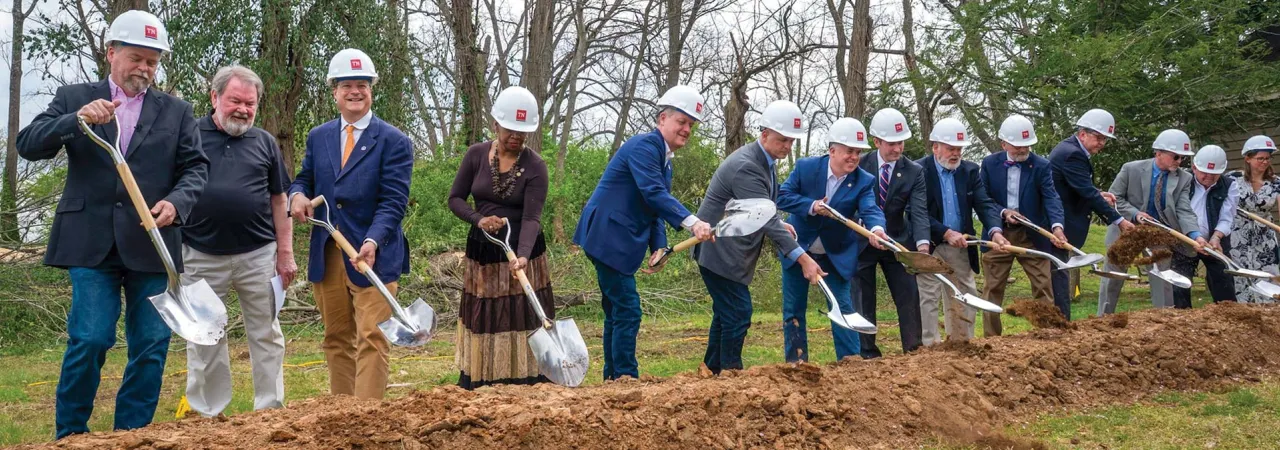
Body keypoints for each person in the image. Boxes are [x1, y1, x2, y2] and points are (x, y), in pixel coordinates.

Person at [15, 10, 208, 438]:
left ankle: (131, 436)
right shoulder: (73, 96)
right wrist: (76, 120)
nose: (145, 68)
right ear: (111, 53)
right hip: (91, 241)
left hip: (153, 244)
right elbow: (28, 144)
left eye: (153, 62)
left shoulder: (177, 111)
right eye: (137, 58)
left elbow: (196, 168)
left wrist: (176, 203)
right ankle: (71, 436)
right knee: (90, 338)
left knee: (152, 346)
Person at [289, 48, 413, 400]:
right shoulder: (319, 136)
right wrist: (298, 196)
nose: (355, 92)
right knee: (336, 337)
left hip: (375, 253)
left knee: (372, 337)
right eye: (347, 86)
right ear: (334, 92)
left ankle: (369, 420)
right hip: (329, 251)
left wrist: (373, 241)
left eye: (362, 85)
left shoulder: (393, 141)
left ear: (372, 90)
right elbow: (304, 180)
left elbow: (393, 202)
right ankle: (342, 417)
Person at [573, 85, 714, 380]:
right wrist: (693, 222)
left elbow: (654, 209)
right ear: (662, 119)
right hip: (607, 236)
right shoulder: (644, 147)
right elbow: (653, 194)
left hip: (614, 238)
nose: (686, 129)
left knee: (616, 310)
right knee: (628, 309)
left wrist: (658, 249)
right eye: (681, 121)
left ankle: (614, 377)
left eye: (691, 124)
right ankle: (626, 377)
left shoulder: (664, 163)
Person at [181, 66, 293, 416]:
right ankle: (209, 413)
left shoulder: (265, 142)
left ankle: (269, 409)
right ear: (214, 97)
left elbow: (280, 199)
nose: (243, 110)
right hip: (199, 254)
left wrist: (285, 254)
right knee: (204, 337)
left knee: (266, 334)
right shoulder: (188, 135)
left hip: (259, 256)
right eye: (235, 101)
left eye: (250, 103)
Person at [693, 100, 825, 374]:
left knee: (725, 314)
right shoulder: (747, 166)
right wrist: (803, 259)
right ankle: (732, 373)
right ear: (764, 134)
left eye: (791, 141)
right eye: (782, 140)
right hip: (720, 251)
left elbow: (763, 208)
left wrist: (779, 221)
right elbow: (763, 217)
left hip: (729, 252)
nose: (787, 147)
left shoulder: (764, 160)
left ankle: (711, 371)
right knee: (739, 313)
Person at [448, 86, 556, 388]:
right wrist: (478, 219)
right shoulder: (475, 155)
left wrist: (522, 255)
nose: (516, 138)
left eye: (523, 133)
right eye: (510, 130)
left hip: (524, 249)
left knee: (521, 314)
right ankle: (480, 378)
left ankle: (529, 378)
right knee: (487, 314)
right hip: (484, 249)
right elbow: (455, 199)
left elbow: (533, 217)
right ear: (495, 125)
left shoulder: (536, 167)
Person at [776, 117, 887, 362]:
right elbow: (782, 197)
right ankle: (797, 364)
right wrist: (812, 206)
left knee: (843, 309)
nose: (854, 157)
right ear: (832, 150)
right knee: (793, 310)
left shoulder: (864, 180)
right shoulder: (806, 168)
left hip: (836, 254)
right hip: (799, 250)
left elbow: (870, 209)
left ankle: (850, 364)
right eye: (849, 151)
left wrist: (877, 229)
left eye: (858, 152)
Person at [979, 115, 1067, 335]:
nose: (1023, 150)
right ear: (1004, 144)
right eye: (1018, 146)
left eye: (1027, 146)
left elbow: (1051, 197)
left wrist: (1057, 227)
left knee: (1043, 286)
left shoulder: (1042, 166)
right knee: (992, 289)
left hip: (1033, 235)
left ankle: (1046, 333)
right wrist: (1003, 212)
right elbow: (984, 199)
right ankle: (992, 339)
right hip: (998, 235)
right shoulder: (989, 164)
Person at [1098, 129, 1202, 315]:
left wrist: (1196, 235)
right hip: (1126, 231)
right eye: (1176, 157)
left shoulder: (1184, 179)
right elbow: (1114, 199)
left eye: (1183, 158)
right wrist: (1136, 214)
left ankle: (1163, 322)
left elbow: (1184, 210)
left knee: (1163, 281)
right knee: (1112, 278)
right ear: (1159, 152)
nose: (1180, 162)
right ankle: (1102, 320)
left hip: (1158, 233)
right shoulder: (1131, 169)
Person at [915, 118, 1000, 344]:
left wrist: (995, 230)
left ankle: (962, 342)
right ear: (936, 147)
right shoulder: (918, 170)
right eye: (951, 148)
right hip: (929, 243)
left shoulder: (970, 171)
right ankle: (930, 346)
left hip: (960, 244)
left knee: (965, 292)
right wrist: (945, 232)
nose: (956, 154)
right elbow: (917, 211)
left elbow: (984, 204)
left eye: (959, 149)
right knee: (929, 296)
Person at [855, 108, 929, 357]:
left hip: (897, 242)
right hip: (862, 242)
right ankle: (868, 353)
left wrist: (922, 246)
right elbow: (849, 203)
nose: (898, 149)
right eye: (892, 143)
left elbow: (918, 211)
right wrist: (864, 228)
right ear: (876, 141)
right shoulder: (860, 165)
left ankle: (913, 349)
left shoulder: (914, 171)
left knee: (909, 295)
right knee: (863, 299)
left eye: (901, 142)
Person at [1048, 109, 1135, 320]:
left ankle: (1060, 322)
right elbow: (1085, 193)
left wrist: (1098, 193)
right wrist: (1119, 220)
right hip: (1059, 222)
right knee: (1058, 274)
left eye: (1105, 139)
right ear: (1083, 133)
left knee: (1060, 273)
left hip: (1062, 220)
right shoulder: (1072, 154)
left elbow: (1079, 186)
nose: (1102, 143)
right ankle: (1061, 324)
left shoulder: (1071, 150)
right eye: (1098, 137)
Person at [1171, 145, 1237, 306]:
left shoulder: (1229, 185)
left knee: (1224, 283)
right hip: (1185, 241)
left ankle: (1228, 320)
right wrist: (1192, 237)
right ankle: (1182, 321)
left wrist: (1216, 237)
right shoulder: (1183, 182)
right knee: (1179, 286)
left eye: (1214, 174)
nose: (1208, 177)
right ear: (1194, 168)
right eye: (1204, 173)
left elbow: (1227, 217)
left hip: (1215, 245)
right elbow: (1179, 212)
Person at [1227, 135, 1280, 303]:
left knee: (1268, 275)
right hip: (1239, 234)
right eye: (1260, 158)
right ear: (1248, 158)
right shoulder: (1232, 179)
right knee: (1242, 276)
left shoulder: (1276, 183)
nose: (1265, 162)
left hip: (1265, 237)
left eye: (1267, 158)